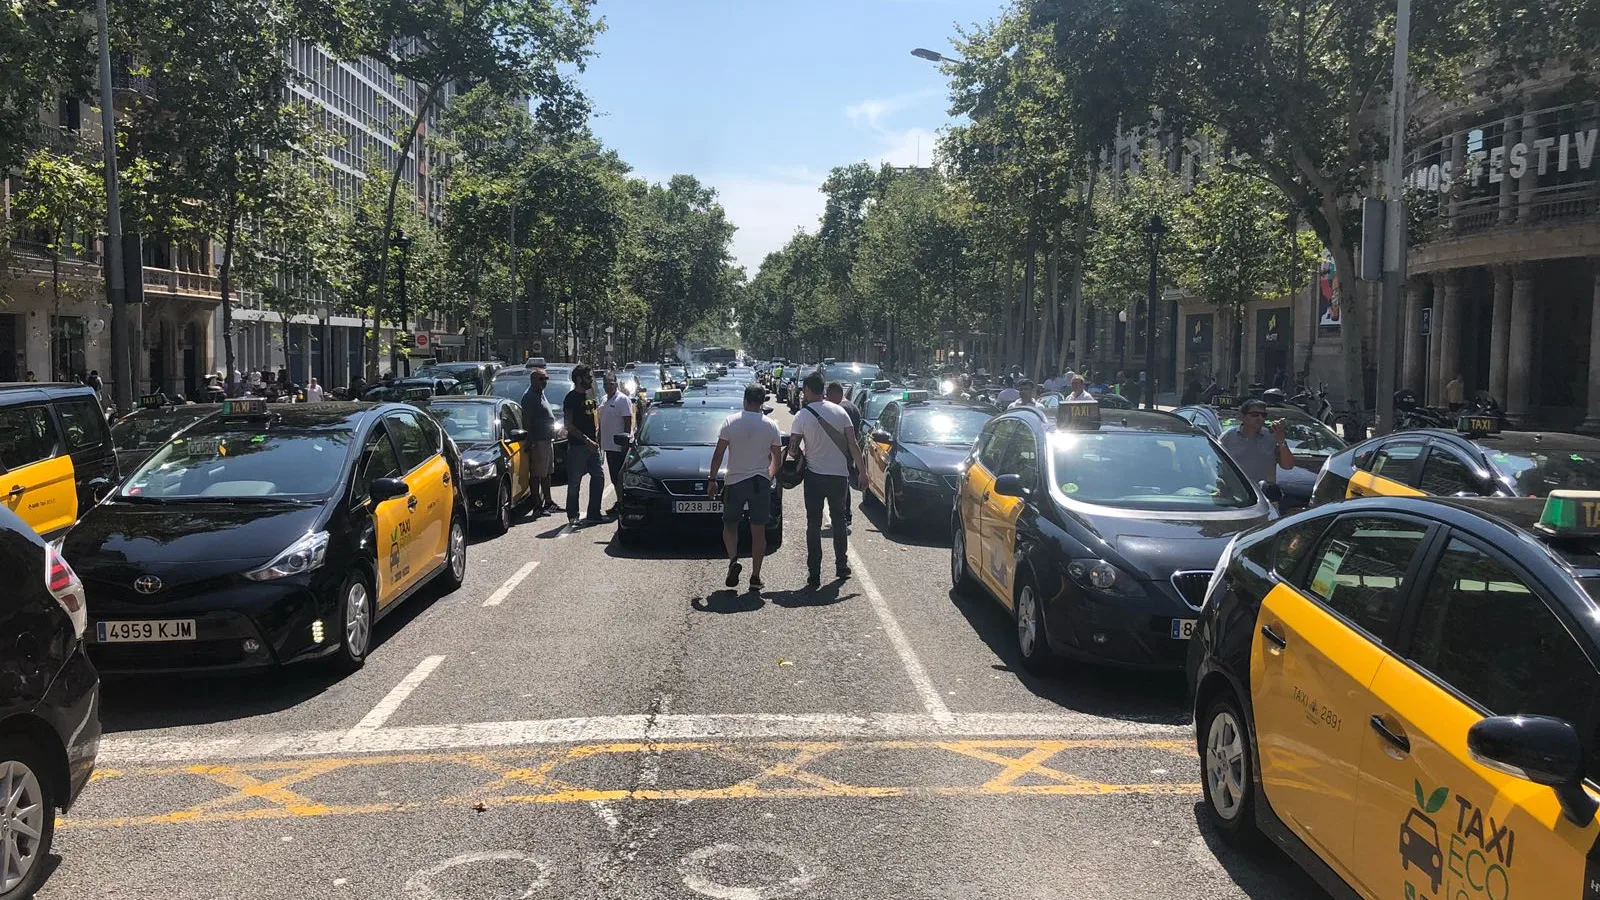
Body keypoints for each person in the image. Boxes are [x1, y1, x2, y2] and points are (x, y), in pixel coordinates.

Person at [788, 371, 867, 589]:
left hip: (814, 476)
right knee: (839, 520)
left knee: (813, 524)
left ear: (806, 390)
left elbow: (793, 450)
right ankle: (842, 566)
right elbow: (853, 444)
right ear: (823, 389)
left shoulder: (802, 416)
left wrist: (800, 454)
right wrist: (862, 472)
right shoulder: (841, 412)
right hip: (839, 476)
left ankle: (814, 573)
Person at [707, 383, 783, 592]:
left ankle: (733, 559)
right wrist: (770, 474)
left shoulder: (731, 422)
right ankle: (755, 576)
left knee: (730, 525)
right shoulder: (771, 425)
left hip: (735, 481)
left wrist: (712, 480)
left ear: (745, 399)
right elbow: (777, 456)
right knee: (759, 531)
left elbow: (719, 454)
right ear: (762, 402)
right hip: (760, 482)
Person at [562, 364, 606, 526]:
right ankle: (573, 515)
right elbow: (568, 425)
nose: (591, 379)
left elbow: (595, 418)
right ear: (579, 379)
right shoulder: (571, 398)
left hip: (593, 446)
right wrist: (586, 440)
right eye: (588, 377)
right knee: (574, 482)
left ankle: (594, 513)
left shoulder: (591, 394)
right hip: (578, 447)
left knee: (599, 477)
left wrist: (598, 438)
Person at [1219, 398, 1294, 491]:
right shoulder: (1228, 437)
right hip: (1235, 495)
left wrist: (1281, 441)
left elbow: (1288, 466)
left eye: (1263, 415)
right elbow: (1213, 464)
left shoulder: (1271, 437)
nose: (1260, 418)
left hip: (1265, 495)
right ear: (1243, 416)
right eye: (1254, 414)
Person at [521, 367, 558, 514]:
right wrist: (531, 442)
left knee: (547, 473)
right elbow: (527, 421)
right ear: (532, 380)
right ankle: (537, 505)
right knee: (537, 474)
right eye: (541, 379)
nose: (544, 382)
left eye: (545, 379)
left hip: (547, 439)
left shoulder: (541, 394)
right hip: (538, 441)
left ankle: (548, 502)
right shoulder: (529, 397)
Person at [597, 371, 634, 516]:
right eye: (605, 384)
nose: (608, 387)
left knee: (619, 477)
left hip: (619, 446)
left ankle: (622, 503)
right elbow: (601, 423)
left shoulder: (622, 400)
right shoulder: (604, 399)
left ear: (616, 384)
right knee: (614, 477)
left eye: (611, 384)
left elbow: (627, 422)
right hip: (607, 446)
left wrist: (625, 443)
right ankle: (620, 502)